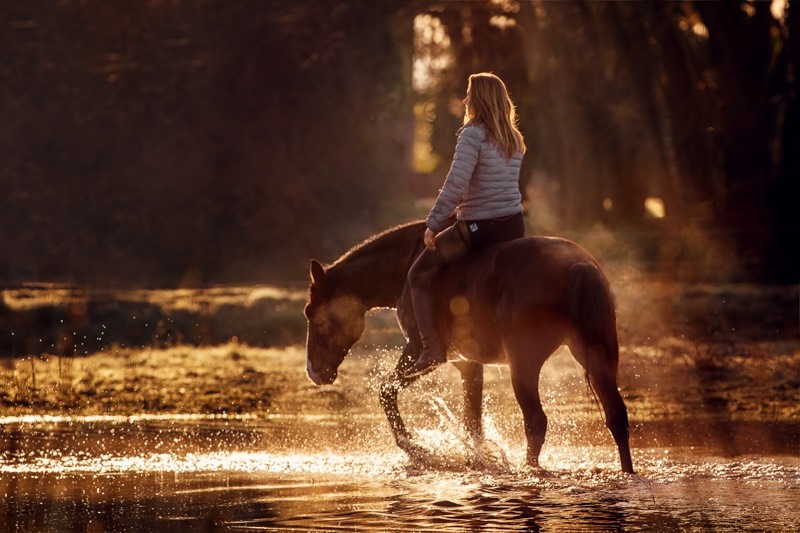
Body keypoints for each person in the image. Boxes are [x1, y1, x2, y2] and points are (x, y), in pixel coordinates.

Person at [405, 72, 527, 378]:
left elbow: (456, 184)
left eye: (469, 94)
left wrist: (433, 223)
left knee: (417, 274)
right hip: (513, 227)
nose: (465, 100)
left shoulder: (473, 134)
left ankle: (431, 349)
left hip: (478, 228)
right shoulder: (514, 136)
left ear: (480, 99)